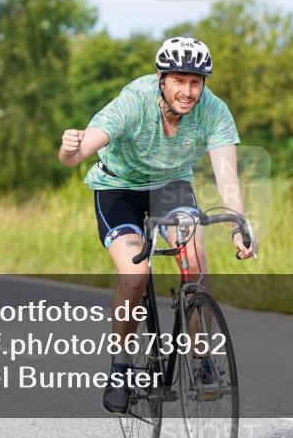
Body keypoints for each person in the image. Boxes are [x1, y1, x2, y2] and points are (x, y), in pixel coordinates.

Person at [57, 36, 256, 415]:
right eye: (179, 80)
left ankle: (202, 358)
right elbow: (80, 151)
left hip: (171, 186)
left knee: (195, 260)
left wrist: (238, 224)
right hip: (118, 188)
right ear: (161, 79)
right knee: (135, 277)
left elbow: (227, 176)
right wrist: (71, 150)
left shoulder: (214, 111)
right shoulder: (135, 101)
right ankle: (120, 366)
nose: (188, 91)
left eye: (195, 82)